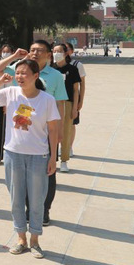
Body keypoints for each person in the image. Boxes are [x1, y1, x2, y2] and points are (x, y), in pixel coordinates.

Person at [0, 60, 59, 259]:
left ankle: (35, 240)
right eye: (18, 73)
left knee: (37, 200)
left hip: (39, 156)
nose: (20, 77)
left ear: (36, 76)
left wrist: (53, 157)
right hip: (13, 154)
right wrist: (0, 82)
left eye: (25, 73)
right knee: (16, 198)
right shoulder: (10, 93)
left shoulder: (47, 100)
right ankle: (21, 238)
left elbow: (53, 130)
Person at [0, 40, 67, 225]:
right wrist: (15, 56)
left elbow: (60, 103)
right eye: (32, 49)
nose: (35, 53)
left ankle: (44, 209)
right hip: (23, 130)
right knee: (21, 176)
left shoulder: (56, 75)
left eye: (40, 50)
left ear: (48, 55)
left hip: (46, 128)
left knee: (47, 173)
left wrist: (60, 130)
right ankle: (27, 209)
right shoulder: (20, 69)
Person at [52, 44, 80, 173]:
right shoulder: (50, 69)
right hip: (52, 102)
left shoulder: (72, 69)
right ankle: (52, 158)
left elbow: (76, 90)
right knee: (51, 130)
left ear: (65, 53)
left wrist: (75, 108)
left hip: (67, 103)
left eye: (59, 51)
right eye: (54, 51)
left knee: (65, 131)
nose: (56, 53)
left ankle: (64, 160)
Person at [65, 42, 85, 156]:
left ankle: (69, 146)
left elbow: (82, 84)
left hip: (72, 99)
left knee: (71, 124)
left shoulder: (77, 65)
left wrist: (80, 101)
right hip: (58, 99)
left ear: (72, 51)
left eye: (67, 49)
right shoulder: (55, 64)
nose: (65, 51)